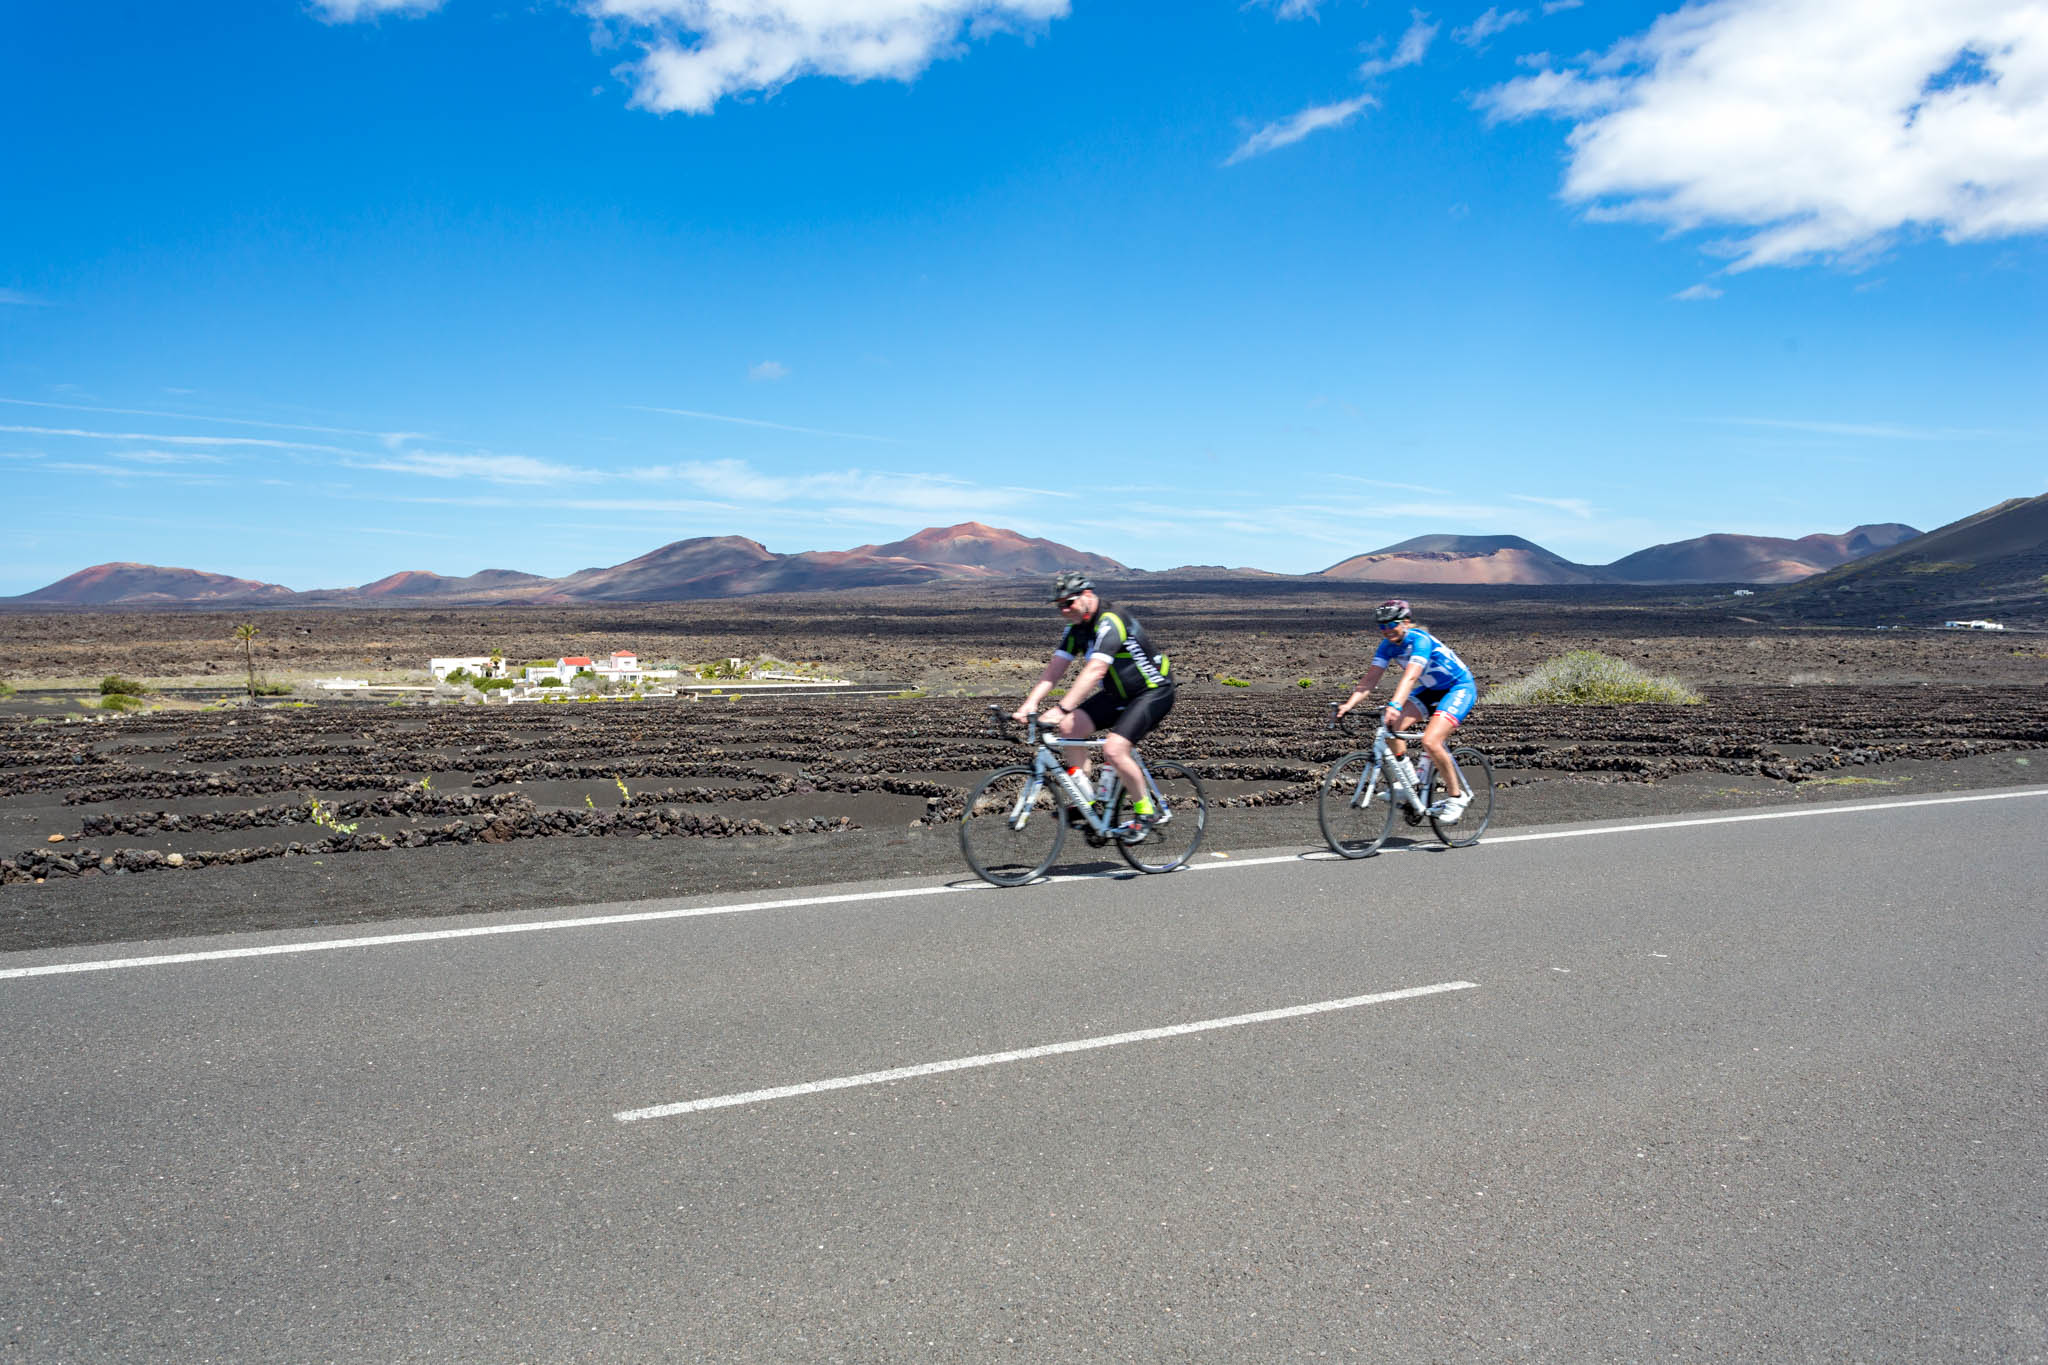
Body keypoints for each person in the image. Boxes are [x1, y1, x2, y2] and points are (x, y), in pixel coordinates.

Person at [1012, 570, 1176, 836]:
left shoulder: (1110, 620)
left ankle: (1145, 810)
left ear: (1087, 594)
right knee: (1069, 729)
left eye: (1069, 603)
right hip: (1117, 694)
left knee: (1114, 749)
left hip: (1152, 692)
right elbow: (1055, 670)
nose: (1064, 610)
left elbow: (1095, 670)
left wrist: (1061, 708)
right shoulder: (1075, 629)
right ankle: (1088, 803)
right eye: (1059, 606)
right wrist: (1030, 704)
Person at [1334, 599, 1477, 821]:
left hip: (1459, 687)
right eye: (1382, 626)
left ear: (1406, 622)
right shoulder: (1387, 646)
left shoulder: (1420, 641)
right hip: (1431, 690)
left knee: (1431, 741)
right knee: (1391, 727)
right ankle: (1411, 784)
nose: (1387, 630)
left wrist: (1395, 704)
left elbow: (1410, 676)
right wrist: (1348, 705)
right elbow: (1370, 680)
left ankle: (1456, 797)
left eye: (1392, 624)